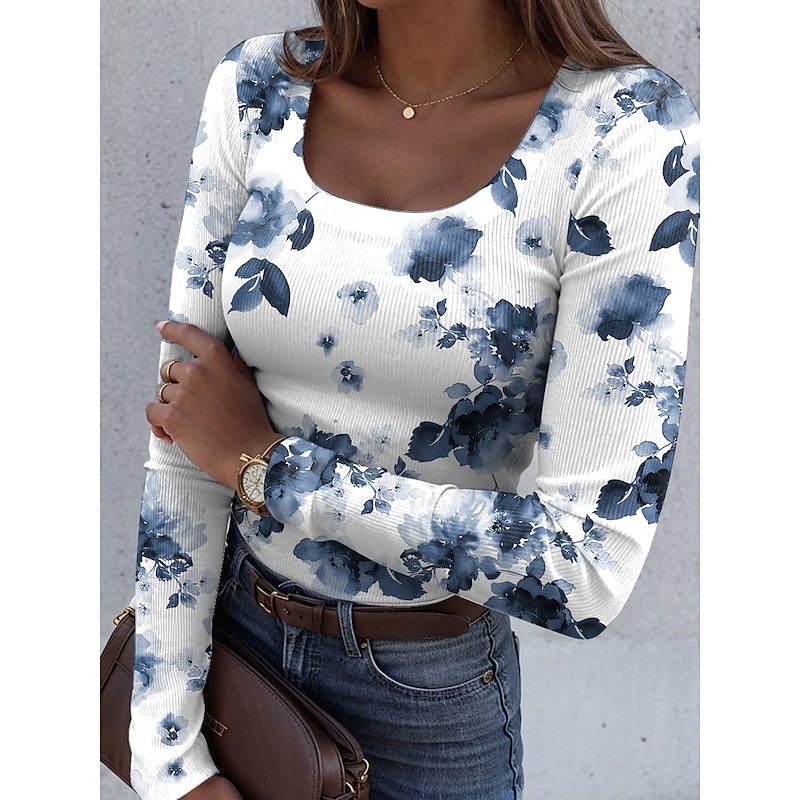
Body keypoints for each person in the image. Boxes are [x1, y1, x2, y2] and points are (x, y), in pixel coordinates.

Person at [130, 1, 700, 798]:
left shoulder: (626, 130)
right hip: (237, 659)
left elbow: (586, 569)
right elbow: (186, 435)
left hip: (427, 709)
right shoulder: (258, 85)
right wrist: (169, 758)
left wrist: (269, 469)